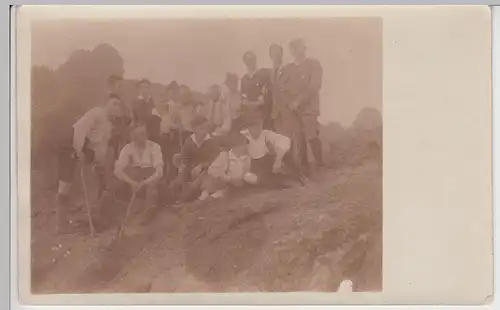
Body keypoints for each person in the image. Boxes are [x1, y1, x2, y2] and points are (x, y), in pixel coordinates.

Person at [55, 94, 124, 234]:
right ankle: (61, 225)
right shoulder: (97, 113)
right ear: (107, 104)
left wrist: (99, 164)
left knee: (98, 175)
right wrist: (78, 150)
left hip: (86, 148)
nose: (116, 107)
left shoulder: (109, 125)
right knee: (64, 187)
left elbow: (100, 147)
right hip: (71, 142)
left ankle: (96, 214)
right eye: (113, 103)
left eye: (118, 105)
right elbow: (81, 129)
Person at [99, 125, 164, 228]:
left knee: (152, 190)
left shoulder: (154, 147)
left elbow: (159, 172)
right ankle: (103, 220)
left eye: (143, 134)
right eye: (137, 135)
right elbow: (118, 171)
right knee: (112, 187)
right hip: (132, 178)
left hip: (149, 177)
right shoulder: (128, 148)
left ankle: (147, 216)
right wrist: (131, 183)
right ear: (133, 137)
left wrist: (145, 182)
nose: (140, 137)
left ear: (146, 134)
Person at [240, 110, 305, 189]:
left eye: (259, 124)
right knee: (252, 177)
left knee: (286, 155)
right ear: (248, 127)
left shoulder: (265, 134)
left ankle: (297, 177)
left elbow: (285, 141)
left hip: (267, 162)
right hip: (253, 166)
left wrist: (278, 160)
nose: (258, 128)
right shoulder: (243, 136)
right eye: (254, 126)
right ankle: (284, 182)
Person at [287, 38, 324, 168]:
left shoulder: (313, 64)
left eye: (300, 47)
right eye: (294, 48)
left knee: (311, 135)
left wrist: (299, 100)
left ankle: (320, 164)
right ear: (291, 50)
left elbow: (314, 85)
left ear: (304, 48)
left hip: (309, 108)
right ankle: (304, 168)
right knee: (299, 138)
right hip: (294, 110)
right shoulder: (289, 69)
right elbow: (286, 88)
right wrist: (290, 103)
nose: (297, 50)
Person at [168, 116, 221, 203]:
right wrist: (182, 166)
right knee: (177, 183)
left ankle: (191, 197)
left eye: (206, 128)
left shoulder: (211, 141)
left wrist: (202, 165)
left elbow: (216, 159)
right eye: (201, 129)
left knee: (200, 181)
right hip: (191, 170)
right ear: (194, 129)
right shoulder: (189, 141)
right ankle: (181, 195)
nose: (204, 131)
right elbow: (185, 158)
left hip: (207, 170)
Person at [268, 43, 303, 166]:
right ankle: (287, 168)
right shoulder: (271, 70)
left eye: (277, 53)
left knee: (291, 138)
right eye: (273, 54)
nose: (275, 56)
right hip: (277, 111)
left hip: (287, 108)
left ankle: (297, 167)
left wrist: (288, 94)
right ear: (270, 56)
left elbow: (296, 86)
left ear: (282, 54)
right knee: (281, 141)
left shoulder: (289, 67)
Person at [199, 133, 258, 200]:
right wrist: (228, 178)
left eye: (246, 144)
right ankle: (203, 196)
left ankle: (214, 197)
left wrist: (247, 178)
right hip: (220, 181)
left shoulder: (246, 158)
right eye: (243, 145)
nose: (245, 147)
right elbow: (212, 170)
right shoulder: (225, 155)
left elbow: (246, 173)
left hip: (233, 185)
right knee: (210, 179)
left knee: (229, 190)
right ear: (235, 147)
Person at [240, 51, 273, 130]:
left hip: (264, 114)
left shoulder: (264, 73)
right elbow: (243, 98)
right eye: (248, 61)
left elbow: (270, 91)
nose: (251, 63)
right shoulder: (244, 79)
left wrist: (264, 98)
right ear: (245, 62)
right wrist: (250, 104)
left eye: (252, 60)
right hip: (252, 115)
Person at [107, 75, 132, 160]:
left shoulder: (120, 100)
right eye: (119, 86)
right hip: (114, 136)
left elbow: (127, 116)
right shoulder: (112, 100)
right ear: (111, 86)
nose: (121, 88)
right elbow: (116, 116)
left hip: (120, 135)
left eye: (121, 86)